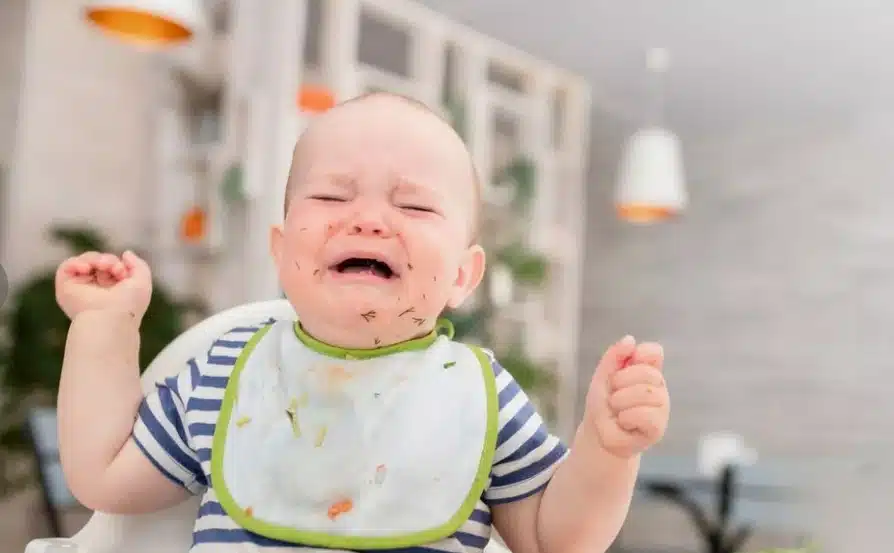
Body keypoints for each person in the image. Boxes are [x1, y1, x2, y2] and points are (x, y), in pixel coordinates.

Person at [54, 92, 670, 553]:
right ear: (280, 250)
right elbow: (104, 479)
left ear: (463, 275)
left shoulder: (480, 397)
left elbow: (549, 539)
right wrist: (103, 329)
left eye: (413, 204)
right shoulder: (224, 374)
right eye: (331, 197)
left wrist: (607, 450)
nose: (370, 219)